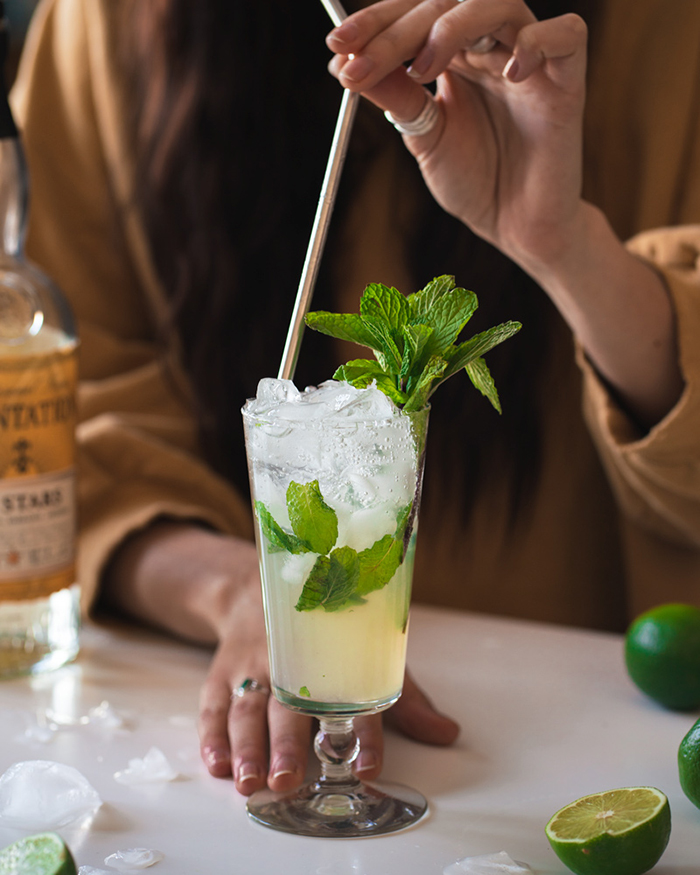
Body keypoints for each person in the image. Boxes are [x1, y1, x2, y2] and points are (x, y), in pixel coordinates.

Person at [8, 0, 700, 797]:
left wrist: (565, 245)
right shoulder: (108, 20)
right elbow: (57, 421)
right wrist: (239, 591)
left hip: (574, 750)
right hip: (189, 738)